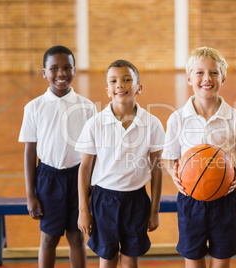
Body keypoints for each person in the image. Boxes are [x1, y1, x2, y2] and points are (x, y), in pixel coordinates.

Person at [162, 46, 236, 268]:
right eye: (200, 73)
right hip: (191, 199)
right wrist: (174, 175)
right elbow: (169, 158)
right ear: (189, 78)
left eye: (214, 72)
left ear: (223, 77)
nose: (207, 78)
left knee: (221, 263)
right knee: (193, 262)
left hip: (225, 198)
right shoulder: (178, 118)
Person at [76, 59, 165, 268]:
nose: (120, 85)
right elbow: (85, 169)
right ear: (107, 90)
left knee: (130, 260)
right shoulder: (95, 123)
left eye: (127, 79)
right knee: (107, 259)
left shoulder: (152, 124)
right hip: (104, 200)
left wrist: (154, 211)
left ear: (139, 88)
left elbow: (157, 170)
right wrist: (83, 210)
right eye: (114, 81)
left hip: (136, 199)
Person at [18, 45, 96, 268]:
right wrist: (30, 193)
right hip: (48, 178)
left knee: (76, 236)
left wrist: (92, 189)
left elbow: (94, 153)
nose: (61, 73)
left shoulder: (87, 107)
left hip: (78, 178)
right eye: (54, 68)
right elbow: (30, 151)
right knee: (49, 238)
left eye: (67, 68)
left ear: (74, 70)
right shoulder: (34, 107)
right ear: (44, 73)